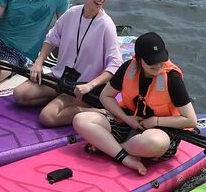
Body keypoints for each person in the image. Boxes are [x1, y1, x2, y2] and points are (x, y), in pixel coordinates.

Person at [71, 32, 197, 176]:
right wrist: (126, 118)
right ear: (138, 60)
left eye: (161, 60)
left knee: (155, 142)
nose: (158, 66)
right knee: (81, 119)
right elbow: (106, 96)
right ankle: (124, 157)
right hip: (128, 123)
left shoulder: (172, 78)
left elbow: (191, 120)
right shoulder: (127, 68)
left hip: (160, 131)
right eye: (151, 62)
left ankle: (110, 147)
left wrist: (155, 121)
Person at [13, 0, 122, 127]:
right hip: (62, 79)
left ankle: (97, 111)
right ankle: (62, 100)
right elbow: (52, 37)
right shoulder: (72, 13)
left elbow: (115, 64)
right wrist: (39, 62)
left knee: (47, 117)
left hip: (84, 86)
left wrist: (90, 85)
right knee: (20, 95)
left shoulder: (106, 25)